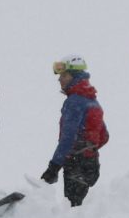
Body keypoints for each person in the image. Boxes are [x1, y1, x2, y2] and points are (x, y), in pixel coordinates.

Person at [41, 57, 109, 205]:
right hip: (92, 165)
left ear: (75, 77)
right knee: (85, 210)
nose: (60, 79)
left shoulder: (74, 102)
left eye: (64, 75)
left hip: (75, 165)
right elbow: (104, 136)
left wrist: (53, 167)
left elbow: (67, 138)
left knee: (74, 211)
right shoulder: (92, 101)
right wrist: (89, 150)